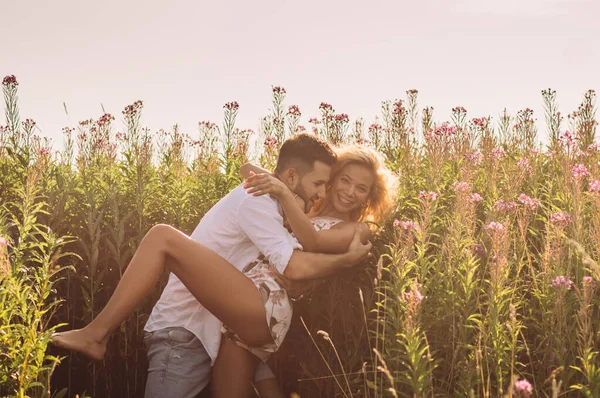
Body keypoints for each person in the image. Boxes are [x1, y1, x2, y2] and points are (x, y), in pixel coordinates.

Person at [51, 133, 372, 398]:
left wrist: (287, 194)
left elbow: (296, 266)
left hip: (206, 324)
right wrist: (279, 187)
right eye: (322, 183)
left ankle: (96, 332)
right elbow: (294, 250)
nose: (322, 193)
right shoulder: (263, 201)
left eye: (360, 188)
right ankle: (95, 333)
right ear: (290, 176)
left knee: (162, 237)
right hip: (210, 325)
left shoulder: (274, 203)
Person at [231, 144, 397, 397]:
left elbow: (314, 243)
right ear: (331, 178)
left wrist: (284, 195)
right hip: (248, 293)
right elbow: (247, 169)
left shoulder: (357, 229)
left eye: (361, 188)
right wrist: (286, 188)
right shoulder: (304, 209)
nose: (350, 192)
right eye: (345, 180)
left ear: (369, 197)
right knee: (251, 379)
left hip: (268, 307)